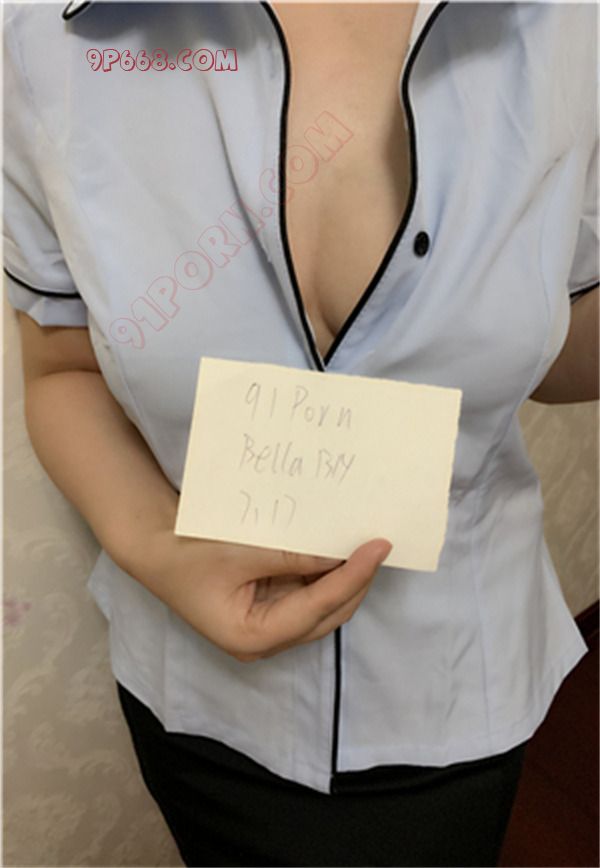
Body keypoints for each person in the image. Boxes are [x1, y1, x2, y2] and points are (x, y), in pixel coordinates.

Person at [3, 0, 598, 865]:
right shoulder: (41, 33)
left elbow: (558, 341)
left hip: (454, 690)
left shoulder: (575, 24)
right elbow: (61, 370)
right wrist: (158, 545)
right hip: (198, 698)